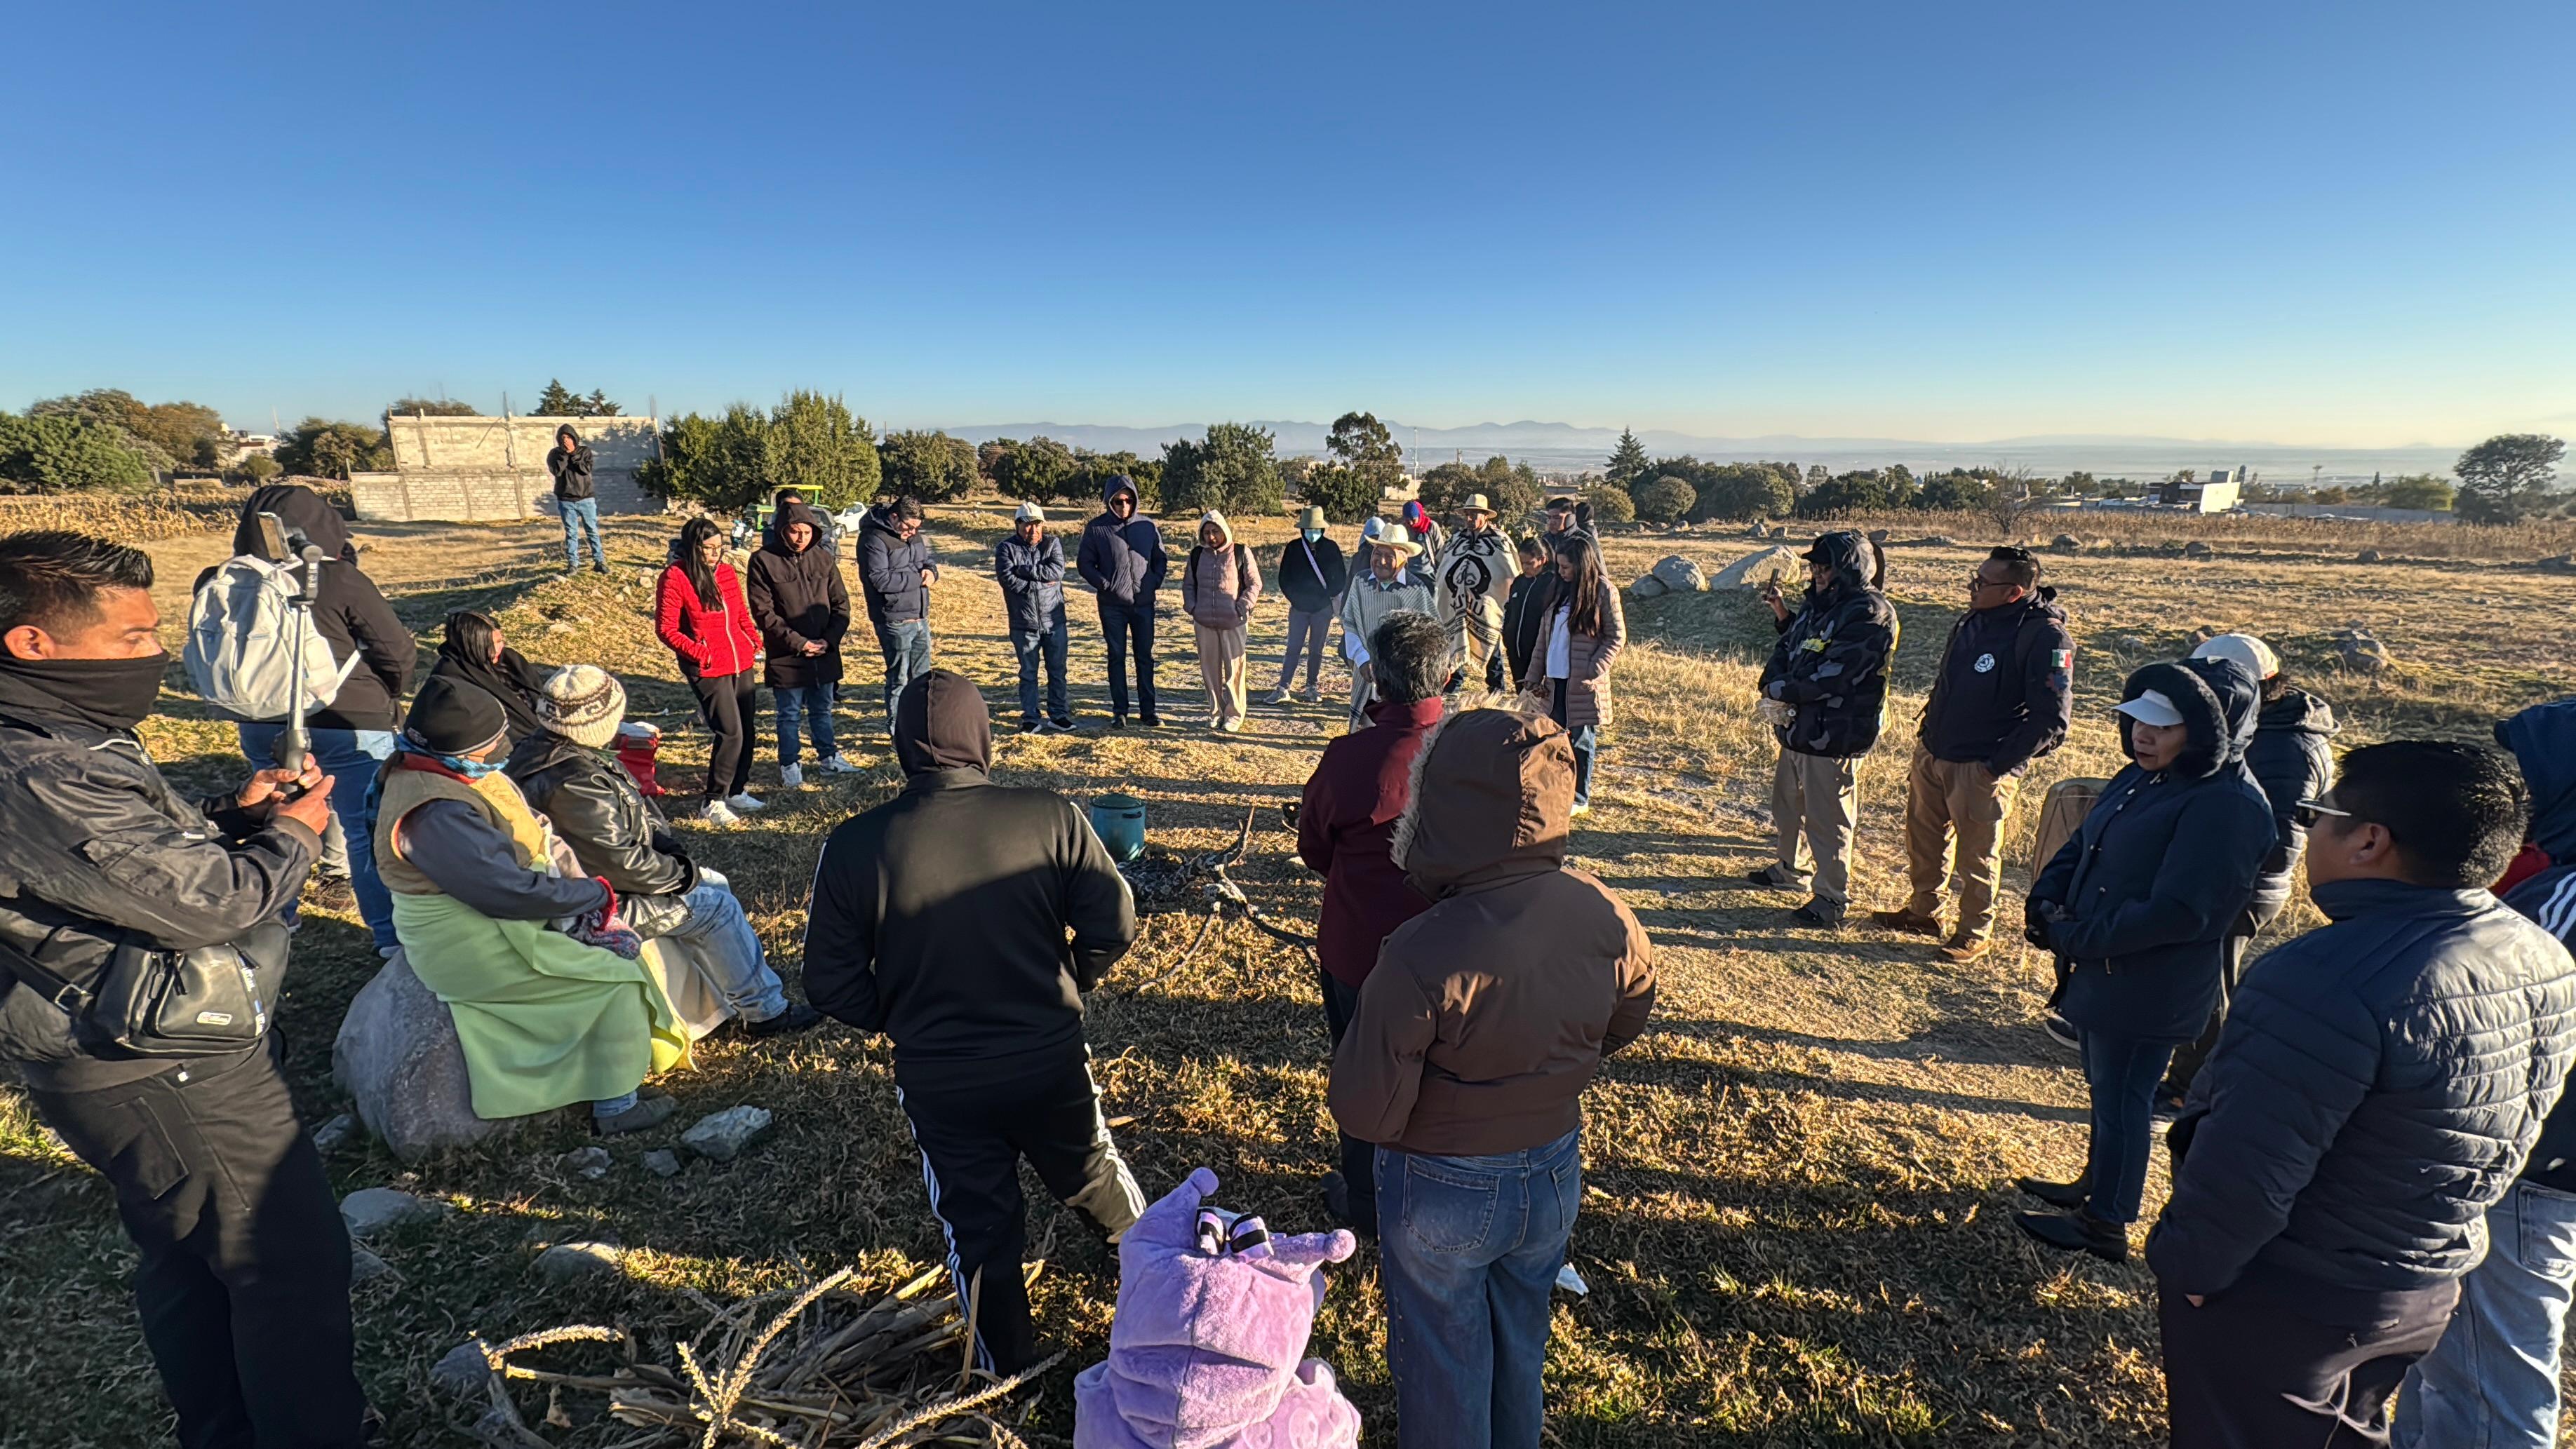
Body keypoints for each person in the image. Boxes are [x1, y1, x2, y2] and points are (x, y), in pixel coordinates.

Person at [0, 530, 366, 1446]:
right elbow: (211, 903)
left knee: (194, 1256)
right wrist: (290, 838)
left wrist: (233, 817)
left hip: (119, 1040)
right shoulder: (36, 769)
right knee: (282, 1263)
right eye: (130, 639)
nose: (152, 655)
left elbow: (116, 871)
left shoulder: (56, 735)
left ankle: (227, 1427)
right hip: (155, 1061)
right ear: (33, 643)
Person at [2149, 740, 2576, 1449]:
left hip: (2292, 1289)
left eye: (2319, 813)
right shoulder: (2540, 955)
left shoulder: (2323, 975)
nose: (2310, 829)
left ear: (2371, 839)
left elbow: (2249, 1161)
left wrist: (2194, 1267)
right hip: (2426, 1281)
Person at [1329, 706, 1657, 1449]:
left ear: (1437, 803)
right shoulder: (1604, 906)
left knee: (1445, 1352)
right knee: (1522, 1333)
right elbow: (1628, 1013)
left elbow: (1365, 1108)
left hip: (1443, 1184)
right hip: (1553, 1167)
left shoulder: (1417, 948)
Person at [803, 668, 1146, 1374]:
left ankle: (1006, 1378)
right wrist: (1070, 982)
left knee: (979, 1230)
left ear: (901, 747)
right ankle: (1170, 1297)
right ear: (983, 738)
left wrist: (902, 1018)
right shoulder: (1049, 814)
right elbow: (1115, 921)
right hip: (1048, 1055)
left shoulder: (853, 844)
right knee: (1097, 1175)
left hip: (940, 1079)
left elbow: (828, 983)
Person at [2011, 657, 2276, 1262]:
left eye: (2163, 725)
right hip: (2103, 967)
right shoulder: (2147, 776)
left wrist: (2078, 937)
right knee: (2107, 1090)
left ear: (2213, 728)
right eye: (2137, 721)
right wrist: (2047, 898)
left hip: (2150, 983)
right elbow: (2087, 840)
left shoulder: (2228, 805)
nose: (2143, 735)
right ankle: (2095, 1185)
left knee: (2127, 1097)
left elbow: (2184, 912)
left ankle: (2106, 1223)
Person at [374, 675, 690, 1133]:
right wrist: (592, 895)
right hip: (471, 937)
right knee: (612, 981)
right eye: (494, 740)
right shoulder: (435, 812)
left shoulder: (449, 772)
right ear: (464, 750)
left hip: (506, 913)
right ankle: (616, 1108)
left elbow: (534, 827)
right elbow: (506, 892)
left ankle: (629, 1062)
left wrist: (573, 879)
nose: (506, 745)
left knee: (621, 956)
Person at [2392, 701, 2576, 1449]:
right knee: (2450, 1347)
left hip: (2521, 1162)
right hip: (2528, 1154)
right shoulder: (2551, 872)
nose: (2516, 786)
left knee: (2494, 1365)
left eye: (2530, 769)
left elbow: (2492, 1022)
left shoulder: (2563, 898)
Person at [506, 665, 822, 1039]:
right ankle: (765, 1013)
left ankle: (737, 983)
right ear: (594, 722)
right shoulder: (572, 781)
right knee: (715, 907)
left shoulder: (550, 753)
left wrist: (665, 844)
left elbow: (627, 819)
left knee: (715, 883)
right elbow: (620, 863)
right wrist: (680, 873)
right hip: (596, 904)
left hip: (590, 887)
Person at [1296, 609, 1450, 1235]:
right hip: (1452, 959)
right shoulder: (1474, 755)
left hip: (1359, 953)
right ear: (1451, 675)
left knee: (1361, 1076)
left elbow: (1315, 851)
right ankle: (1432, 1195)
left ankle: (1365, 1200)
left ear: (1377, 685)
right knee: (1441, 1080)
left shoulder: (1351, 758)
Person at [226, 483, 415, 957]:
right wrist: (387, 694)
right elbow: (396, 650)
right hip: (349, 717)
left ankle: (276, 919)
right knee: (366, 827)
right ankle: (389, 938)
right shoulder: (337, 577)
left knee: (277, 815)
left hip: (259, 719)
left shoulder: (227, 577)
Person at [2156, 631, 2337, 1111]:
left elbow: (2278, 843)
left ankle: (2185, 1089)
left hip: (2241, 886)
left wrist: (2209, 868)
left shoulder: (2287, 748)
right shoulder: (2257, 726)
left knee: (2210, 981)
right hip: (2210, 871)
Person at [1872, 546, 2074, 962]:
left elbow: (2052, 719)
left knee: (1977, 853)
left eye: (1982, 583)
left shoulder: (2046, 637)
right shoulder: (1973, 619)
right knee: (1924, 840)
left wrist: (1996, 766)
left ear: (2014, 592)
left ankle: (1974, 931)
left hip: (1982, 767)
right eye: (1974, 578)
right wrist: (1927, 738)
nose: (1972, 587)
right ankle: (1924, 912)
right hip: (1935, 751)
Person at [1748, 531, 1898, 926]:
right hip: (1800, 728)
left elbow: (1838, 674)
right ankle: (1787, 869)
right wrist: (1771, 681)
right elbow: (1790, 646)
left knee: (1828, 818)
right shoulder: (1819, 607)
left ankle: (1831, 898)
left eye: (1825, 566)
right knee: (1787, 805)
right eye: (1813, 566)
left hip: (1837, 734)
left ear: (1849, 569)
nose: (1816, 573)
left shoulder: (1869, 612)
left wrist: (1781, 689)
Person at [655, 516, 765, 824]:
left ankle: (736, 790)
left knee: (747, 728)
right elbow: (666, 629)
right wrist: (699, 653)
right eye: (708, 548)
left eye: (719, 547)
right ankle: (712, 800)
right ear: (693, 548)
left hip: (739, 660)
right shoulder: (675, 577)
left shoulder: (727, 572)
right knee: (729, 732)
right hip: (707, 666)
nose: (715, 554)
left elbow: (740, 611)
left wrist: (751, 638)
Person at [746, 500, 858, 787]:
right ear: (783, 531)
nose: (801, 539)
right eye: (795, 532)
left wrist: (829, 640)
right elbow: (764, 613)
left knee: (822, 709)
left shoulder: (824, 559)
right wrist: (799, 643)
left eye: (806, 533)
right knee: (789, 714)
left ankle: (829, 758)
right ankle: (790, 765)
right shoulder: (763, 561)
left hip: (824, 651)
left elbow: (840, 604)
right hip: (787, 654)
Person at [1533, 530, 1624, 817]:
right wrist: (1534, 676)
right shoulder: (1558, 590)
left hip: (1582, 683)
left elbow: (1616, 636)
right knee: (1553, 735)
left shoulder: (1604, 591)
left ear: (1583, 565)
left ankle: (1580, 797)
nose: (1561, 571)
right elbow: (1543, 638)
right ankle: (1556, 787)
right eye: (1559, 566)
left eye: (1566, 567)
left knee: (1582, 740)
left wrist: (1592, 670)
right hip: (1554, 678)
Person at [1078, 473, 1167, 728]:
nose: (1124, 506)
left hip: (1143, 603)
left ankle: (1148, 711)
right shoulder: (1096, 528)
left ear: (1135, 500)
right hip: (1112, 605)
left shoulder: (1148, 526)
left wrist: (1153, 582)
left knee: (1144, 657)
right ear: (1109, 501)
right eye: (1118, 501)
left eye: (1128, 500)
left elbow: (1160, 559)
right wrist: (1106, 585)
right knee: (1116, 656)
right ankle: (1120, 711)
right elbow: (1084, 564)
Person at [1336, 527, 1433, 732]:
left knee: (1393, 731)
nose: (1381, 561)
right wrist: (1363, 659)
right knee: (1364, 733)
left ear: (1404, 559)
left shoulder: (1416, 590)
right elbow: (1350, 624)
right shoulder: (1361, 582)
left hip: (1401, 678)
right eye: (1377, 553)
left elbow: (1429, 637)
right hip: (1365, 672)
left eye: (1389, 556)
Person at [859, 494, 939, 733]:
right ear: (894, 517)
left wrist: (933, 572)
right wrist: (919, 579)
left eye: (917, 528)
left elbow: (926, 561)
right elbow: (880, 580)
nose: (913, 533)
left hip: (920, 616)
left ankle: (922, 728)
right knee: (899, 680)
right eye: (909, 527)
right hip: (894, 619)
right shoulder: (873, 539)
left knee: (922, 679)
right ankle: (898, 731)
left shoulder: (914, 537)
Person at [995, 501, 1073, 733]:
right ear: (1017, 525)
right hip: (1024, 623)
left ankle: (1058, 715)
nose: (1033, 530)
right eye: (1028, 525)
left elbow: (1056, 572)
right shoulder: (1006, 548)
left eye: (1037, 525)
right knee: (1028, 673)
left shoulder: (1052, 543)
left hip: (1054, 620)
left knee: (1057, 670)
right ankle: (1030, 716)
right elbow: (1008, 581)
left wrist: (1025, 571)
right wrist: (1040, 584)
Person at [1181, 511, 1261, 733]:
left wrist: (1242, 607)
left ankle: (1234, 715)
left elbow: (1254, 584)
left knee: (1234, 669)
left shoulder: (1241, 552)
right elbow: (1189, 584)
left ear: (1224, 530)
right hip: (1204, 621)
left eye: (1215, 531)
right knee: (1209, 669)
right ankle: (1215, 712)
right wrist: (1192, 607)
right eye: (1206, 532)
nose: (1211, 537)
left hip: (1233, 622)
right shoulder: (1197, 555)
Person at [427, 608, 549, 746]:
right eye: (491, 644)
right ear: (472, 645)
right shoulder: (450, 678)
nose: (499, 648)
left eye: (500, 641)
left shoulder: (510, 660)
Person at [1434, 493, 1514, 692]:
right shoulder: (1456, 540)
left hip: (1485, 604)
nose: (1470, 519)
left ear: (1485, 516)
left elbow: (1510, 571)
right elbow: (1442, 564)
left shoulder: (1499, 541)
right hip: (1456, 603)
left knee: (1491, 642)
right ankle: (1454, 684)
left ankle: (1496, 687)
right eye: (1467, 514)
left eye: (1475, 514)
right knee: (1455, 641)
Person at [1270, 505, 1346, 705]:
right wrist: (1297, 599)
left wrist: (1326, 597)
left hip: (1322, 609)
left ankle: (1311, 687)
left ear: (1322, 529)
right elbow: (1284, 579)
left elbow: (1340, 578)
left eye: (1316, 529)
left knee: (1316, 649)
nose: (1312, 533)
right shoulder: (1293, 548)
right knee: (1293, 647)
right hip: (1299, 608)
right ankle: (1283, 687)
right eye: (1309, 529)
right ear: (1302, 529)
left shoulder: (1331, 548)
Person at [548, 423, 606, 574]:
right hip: (566, 500)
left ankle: (599, 561)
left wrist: (573, 453)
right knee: (571, 533)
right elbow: (557, 471)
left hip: (586, 498)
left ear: (574, 438)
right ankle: (573, 564)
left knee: (592, 530)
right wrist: (564, 455)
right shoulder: (555, 454)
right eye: (562, 438)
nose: (565, 440)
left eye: (568, 437)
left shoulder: (584, 452)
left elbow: (585, 469)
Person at [1498, 532, 1551, 690]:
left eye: (1529, 563)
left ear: (1542, 560)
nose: (1525, 567)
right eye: (1522, 563)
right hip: (1515, 651)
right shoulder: (1519, 582)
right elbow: (1510, 609)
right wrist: (1507, 634)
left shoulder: (1551, 583)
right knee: (1521, 696)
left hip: (1539, 654)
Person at [1399, 499, 1445, 588]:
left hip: (1428, 573)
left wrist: (1441, 574)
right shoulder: (1403, 529)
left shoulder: (1431, 527)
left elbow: (1441, 552)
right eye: (1408, 520)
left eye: (1413, 519)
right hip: (1410, 574)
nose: (1411, 523)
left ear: (1420, 515)